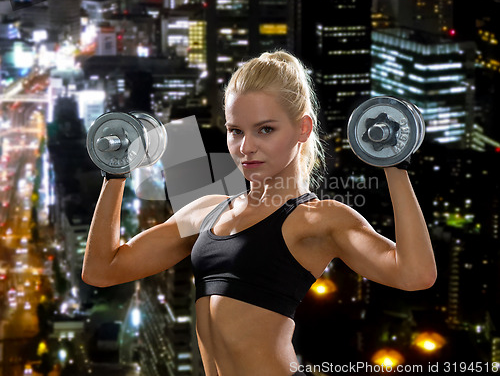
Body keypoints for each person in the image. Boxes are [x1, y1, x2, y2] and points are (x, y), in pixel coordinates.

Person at [82, 49, 437, 376]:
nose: (246, 147)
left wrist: (394, 165)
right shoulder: (208, 211)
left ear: (303, 128)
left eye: (265, 129)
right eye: (236, 131)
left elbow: (415, 274)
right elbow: (102, 269)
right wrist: (116, 172)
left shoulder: (318, 219)